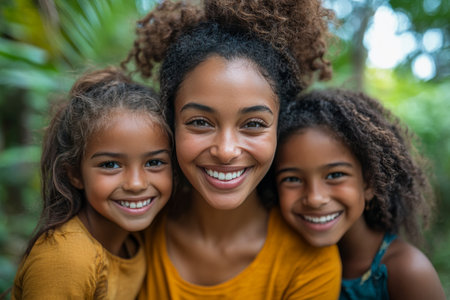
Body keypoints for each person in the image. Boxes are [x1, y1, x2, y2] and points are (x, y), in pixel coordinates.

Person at [123, 0, 342, 299]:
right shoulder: (131, 226)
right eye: (200, 122)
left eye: (253, 124)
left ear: (280, 127)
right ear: (171, 122)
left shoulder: (308, 263)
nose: (226, 151)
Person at [12, 68, 173, 299]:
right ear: (75, 174)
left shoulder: (134, 241)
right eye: (110, 165)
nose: (136, 184)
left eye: (155, 162)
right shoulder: (66, 258)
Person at [275, 88, 446, 300]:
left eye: (335, 175)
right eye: (292, 179)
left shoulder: (407, 271)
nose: (315, 198)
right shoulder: (283, 262)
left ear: (369, 183)